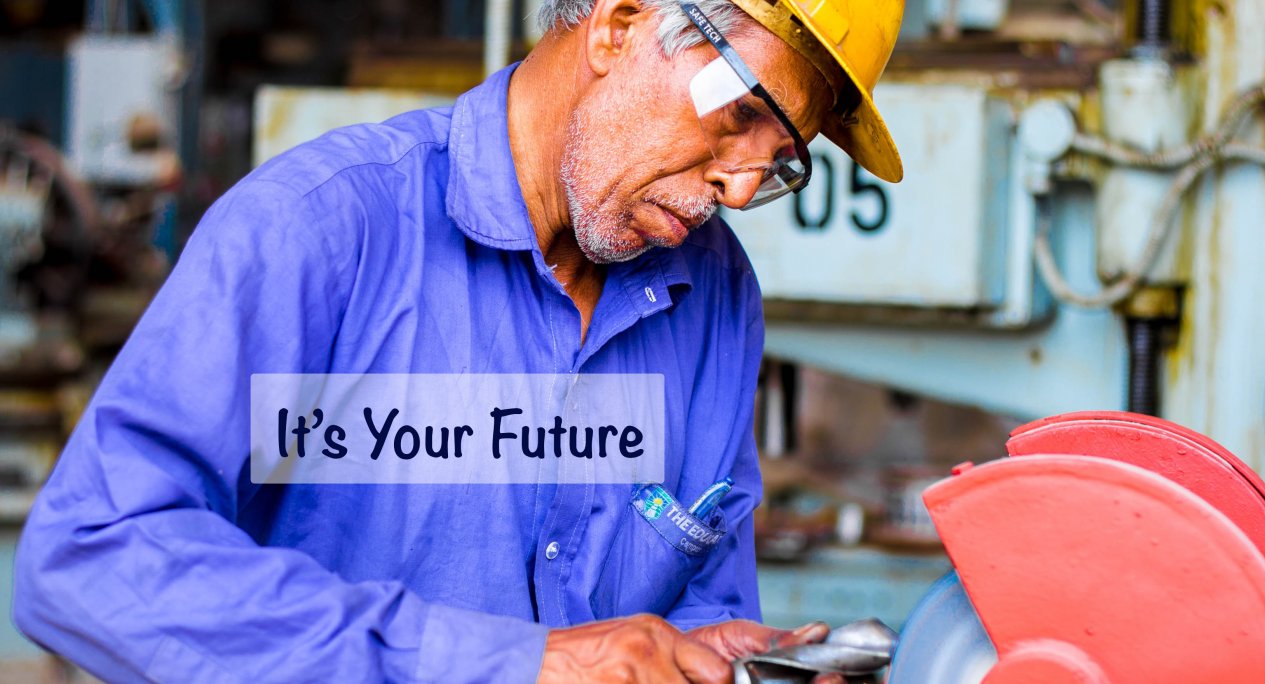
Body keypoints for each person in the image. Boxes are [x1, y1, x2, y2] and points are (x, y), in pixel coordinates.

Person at [13, 0, 905, 681]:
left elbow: (703, 597)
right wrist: (514, 662)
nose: (743, 187)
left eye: (782, 156)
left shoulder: (711, 293)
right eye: (740, 114)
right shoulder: (321, 232)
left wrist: (708, 657)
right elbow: (90, 557)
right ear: (620, 24)